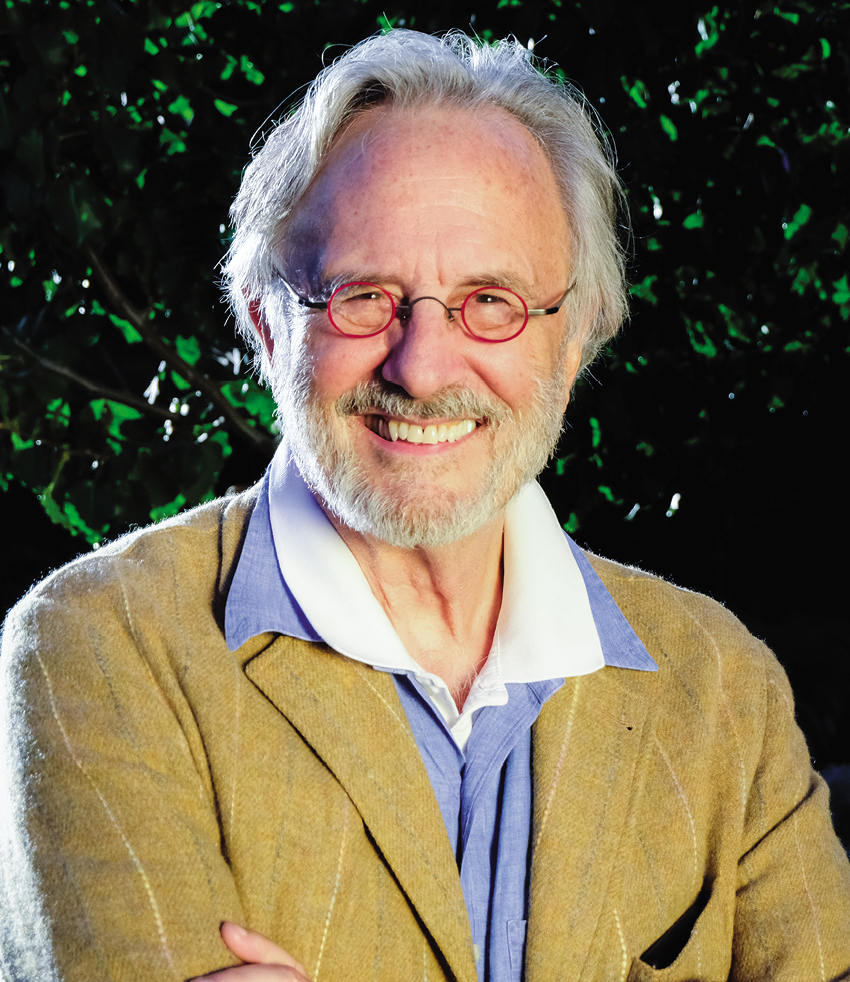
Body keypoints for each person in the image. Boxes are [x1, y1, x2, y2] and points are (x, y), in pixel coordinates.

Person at [1, 28, 849, 982]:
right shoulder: (101, 648)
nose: (423, 366)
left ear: (578, 339)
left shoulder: (724, 687)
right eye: (363, 296)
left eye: (493, 301)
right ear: (264, 322)